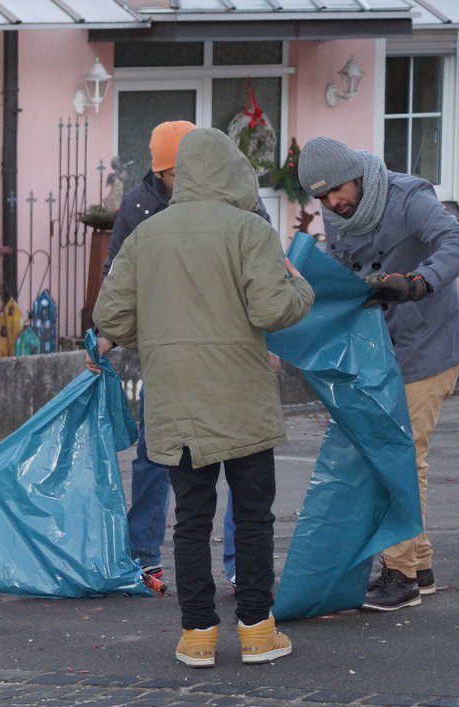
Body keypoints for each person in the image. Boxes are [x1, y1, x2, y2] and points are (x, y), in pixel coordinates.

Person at [94, 128, 314, 668]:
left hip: (177, 402)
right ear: (234, 171)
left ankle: (197, 635)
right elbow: (271, 310)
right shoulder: (249, 230)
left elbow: (110, 317)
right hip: (241, 398)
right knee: (253, 514)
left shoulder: (148, 235)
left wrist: (162, 339)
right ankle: (258, 631)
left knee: (190, 519)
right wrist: (301, 287)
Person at [297, 136, 459, 612]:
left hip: (428, 346)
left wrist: (418, 282)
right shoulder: (337, 217)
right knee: (396, 454)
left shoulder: (408, 196)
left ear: (356, 175)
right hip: (383, 350)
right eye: (322, 198)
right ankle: (420, 566)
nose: (332, 203)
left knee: (402, 457)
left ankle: (400, 576)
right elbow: (342, 272)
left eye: (337, 190)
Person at [92, 120, 268, 589]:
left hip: (229, 360)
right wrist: (121, 338)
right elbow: (116, 282)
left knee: (235, 469)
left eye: (178, 172)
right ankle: (144, 554)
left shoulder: (242, 205)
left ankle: (234, 567)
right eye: (167, 174)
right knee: (158, 457)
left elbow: (261, 282)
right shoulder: (139, 205)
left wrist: (266, 342)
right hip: (172, 364)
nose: (175, 182)